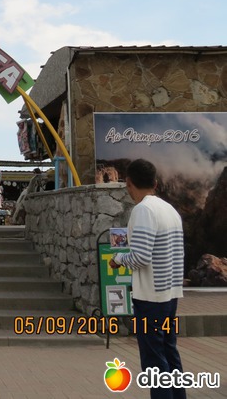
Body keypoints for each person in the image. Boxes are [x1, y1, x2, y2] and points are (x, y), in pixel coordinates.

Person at [109, 159, 186, 399]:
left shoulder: (143, 210)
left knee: (153, 359)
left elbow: (140, 257)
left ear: (128, 183)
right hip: (170, 295)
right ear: (155, 183)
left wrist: (118, 259)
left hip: (151, 298)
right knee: (169, 352)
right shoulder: (169, 209)